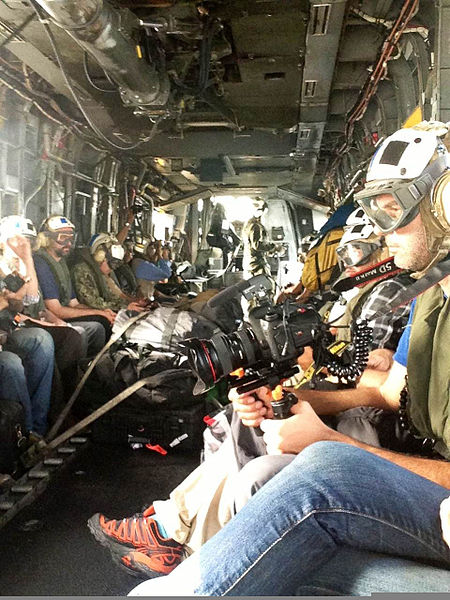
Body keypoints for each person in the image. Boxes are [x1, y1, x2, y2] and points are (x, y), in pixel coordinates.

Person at [125, 121, 450, 595]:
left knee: (322, 473)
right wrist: (303, 400)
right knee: (260, 478)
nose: (384, 234)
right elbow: (388, 390)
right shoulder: (429, 299)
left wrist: (331, 445)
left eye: (394, 210)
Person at [33, 215, 113, 355]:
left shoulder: (61, 263)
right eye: (62, 238)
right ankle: (73, 376)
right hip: (48, 319)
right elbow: (56, 310)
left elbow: (74, 304)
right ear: (46, 239)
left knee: (100, 325)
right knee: (82, 332)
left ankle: (92, 368)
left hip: (61, 315)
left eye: (71, 238)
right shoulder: (41, 264)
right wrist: (99, 312)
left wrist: (104, 312)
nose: (68, 243)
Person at [72, 233, 145, 313]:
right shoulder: (82, 270)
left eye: (116, 264)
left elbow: (113, 297)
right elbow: (92, 302)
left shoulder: (101, 272)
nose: (113, 268)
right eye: (112, 263)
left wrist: (133, 303)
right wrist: (125, 307)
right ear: (100, 256)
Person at [241, 198, 278, 281]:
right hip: (256, 264)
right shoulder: (255, 226)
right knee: (268, 287)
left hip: (250, 263)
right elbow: (257, 246)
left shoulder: (248, 224)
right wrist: (273, 247)